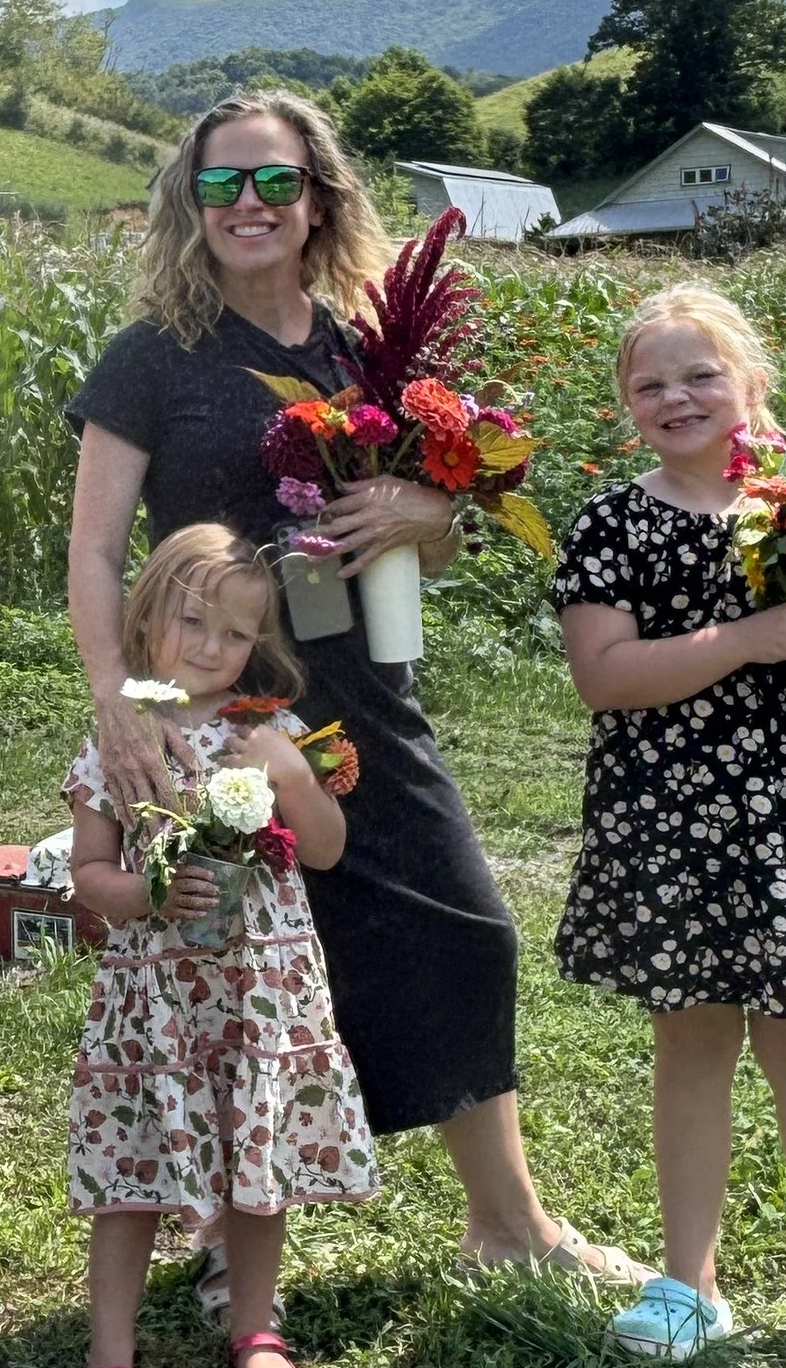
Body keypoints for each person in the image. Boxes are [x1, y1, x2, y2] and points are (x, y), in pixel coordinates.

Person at [68, 88, 647, 1301]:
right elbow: (93, 551)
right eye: (220, 183)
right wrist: (122, 705)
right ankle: (232, 1237)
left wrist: (429, 512)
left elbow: (423, 541)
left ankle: (508, 1224)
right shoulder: (151, 359)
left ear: (318, 195)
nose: (248, 206)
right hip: (213, 706)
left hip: (363, 693)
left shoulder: (365, 352)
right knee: (226, 961)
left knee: (463, 927)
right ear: (190, 200)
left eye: (274, 182)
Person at [552, 285, 786, 1368]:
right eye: (649, 383)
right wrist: (752, 635)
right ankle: (688, 1286)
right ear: (627, 407)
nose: (676, 396)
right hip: (680, 822)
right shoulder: (612, 525)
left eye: (699, 374)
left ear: (750, 386)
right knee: (693, 1047)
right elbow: (604, 677)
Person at [65, 524, 371, 1368]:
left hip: (261, 991)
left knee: (259, 1150)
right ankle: (109, 1356)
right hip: (156, 1002)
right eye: (192, 620)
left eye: (234, 634)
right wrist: (150, 890)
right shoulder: (121, 742)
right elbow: (89, 876)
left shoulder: (267, 733)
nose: (209, 647)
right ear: (148, 616)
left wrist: (285, 772)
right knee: (133, 1173)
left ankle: (253, 1323)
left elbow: (324, 849)